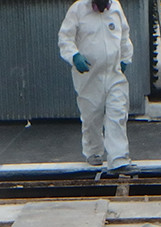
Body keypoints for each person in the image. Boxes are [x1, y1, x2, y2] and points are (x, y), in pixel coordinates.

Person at [57, 0, 134, 172]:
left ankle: (118, 159)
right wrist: (74, 56)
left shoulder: (116, 8)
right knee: (92, 116)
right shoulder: (78, 9)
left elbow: (124, 36)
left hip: (114, 74)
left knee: (117, 113)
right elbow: (65, 38)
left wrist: (125, 58)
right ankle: (93, 151)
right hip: (89, 75)